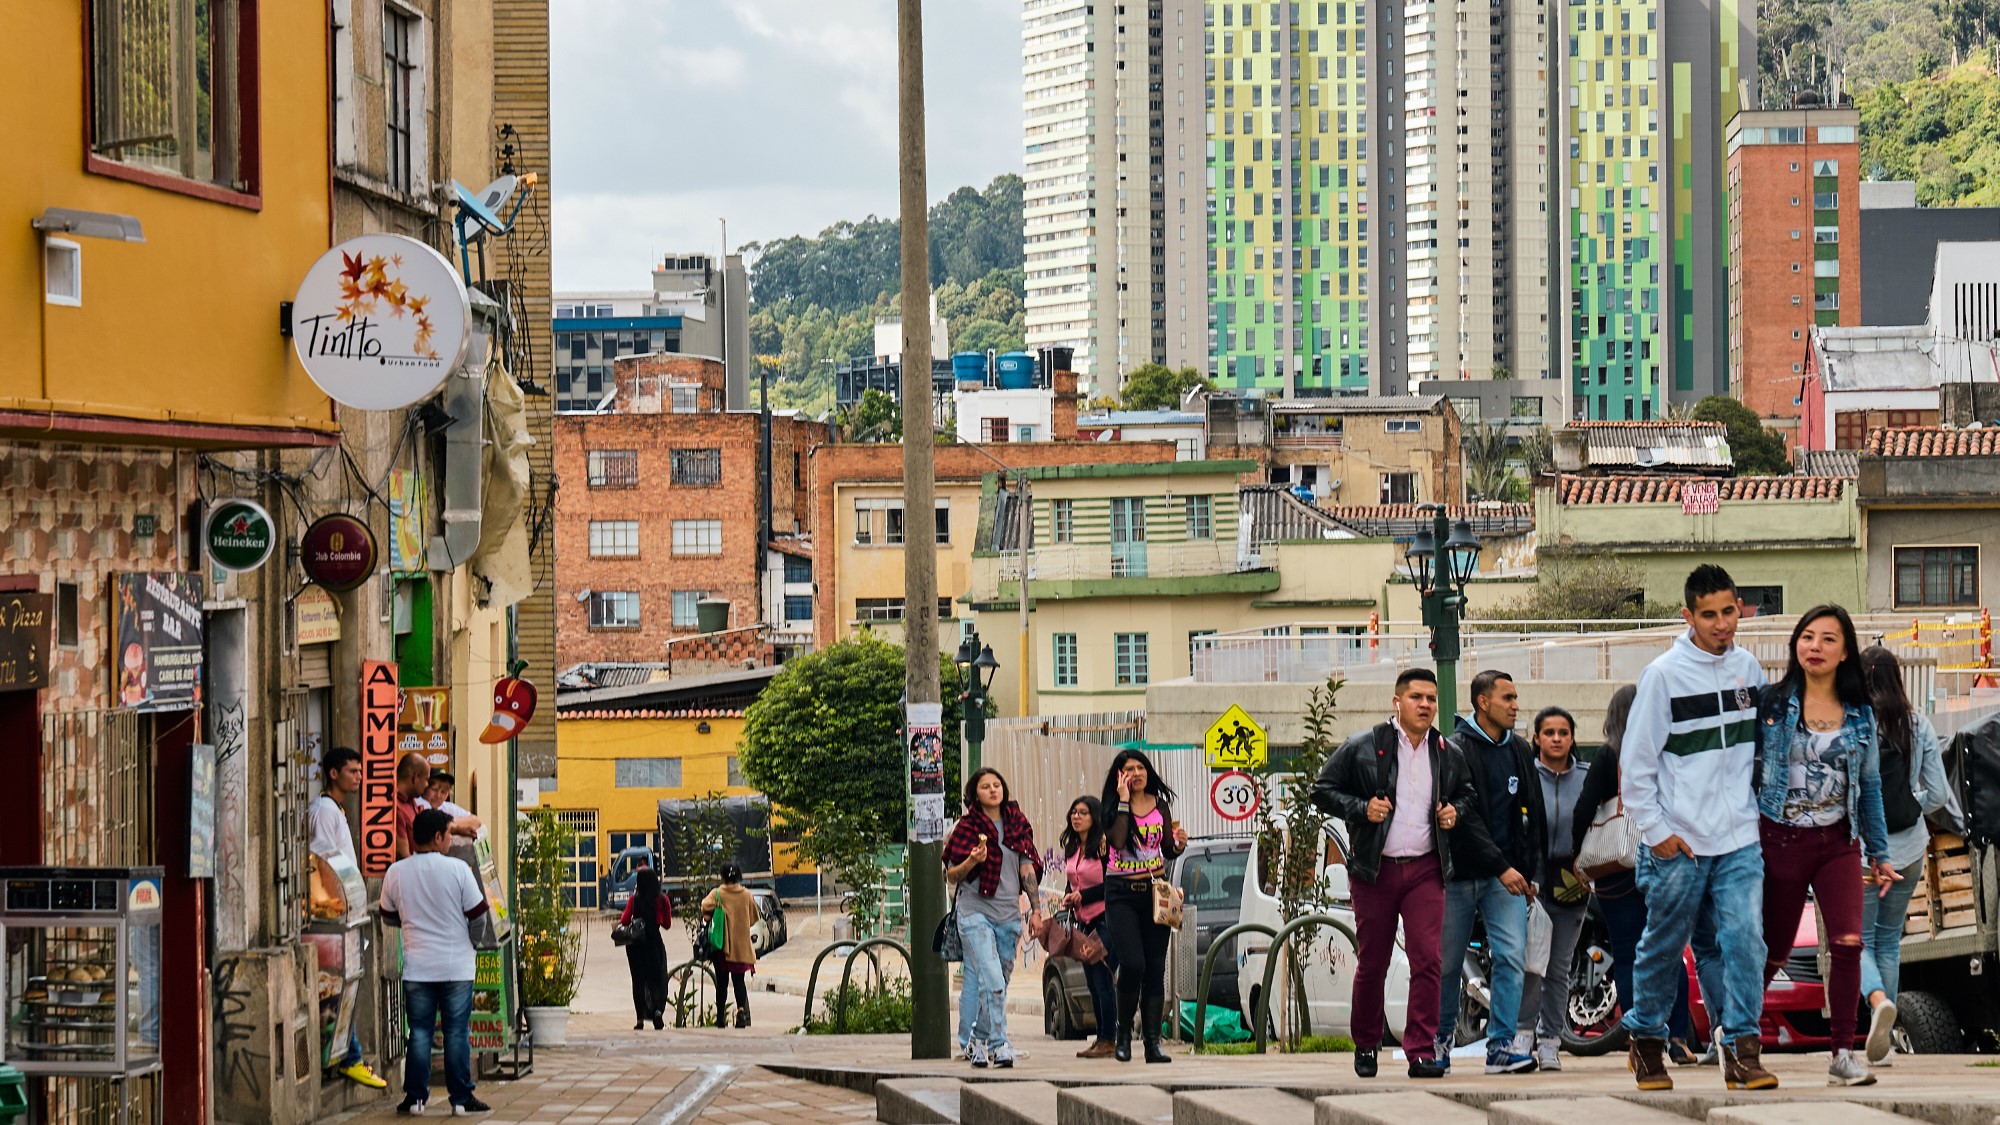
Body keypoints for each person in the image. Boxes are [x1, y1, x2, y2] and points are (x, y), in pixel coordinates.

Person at [1619, 564, 1775, 1093]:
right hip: (1678, 843)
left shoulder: (1751, 670)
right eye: (1708, 614)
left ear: (1739, 608)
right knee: (1663, 946)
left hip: (1739, 839)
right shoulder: (1662, 675)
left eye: (1729, 611)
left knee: (1746, 942)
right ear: (1688, 616)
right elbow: (1635, 766)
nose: (1721, 623)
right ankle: (1645, 1042)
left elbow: (1764, 754)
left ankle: (1742, 1051)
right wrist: (1657, 832)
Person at [1311, 667, 1476, 1080]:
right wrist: (1361, 808)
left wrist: (1455, 811)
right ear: (1397, 702)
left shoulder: (1446, 751)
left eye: (1431, 699)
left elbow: (1468, 794)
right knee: (1374, 963)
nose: (1425, 705)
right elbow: (1322, 789)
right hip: (1375, 870)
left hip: (1425, 868)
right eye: (1416, 697)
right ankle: (1366, 1042)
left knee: (1428, 961)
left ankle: (1420, 1050)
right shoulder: (1364, 746)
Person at [1754, 605, 1895, 1086]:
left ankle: (1842, 1054)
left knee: (1849, 944)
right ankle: (1741, 1038)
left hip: (1839, 842)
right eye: (1807, 637)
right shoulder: (1771, 703)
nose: (1815, 647)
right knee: (1773, 949)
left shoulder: (1860, 713)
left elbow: (1870, 787)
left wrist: (1879, 853)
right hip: (1779, 840)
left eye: (1828, 639)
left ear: (1845, 652)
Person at [1572, 686, 1723, 1068]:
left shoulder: (1609, 756)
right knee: (1667, 953)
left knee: (1627, 954)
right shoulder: (1669, 753)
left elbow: (1583, 809)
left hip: (1615, 871)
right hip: (1664, 863)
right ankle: (1676, 1039)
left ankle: (1641, 1036)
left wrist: (1578, 857)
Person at [1439, 669, 1544, 1075]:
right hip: (1461, 875)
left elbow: (1534, 812)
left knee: (1512, 957)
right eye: (1508, 698)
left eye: (1516, 698)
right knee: (1447, 963)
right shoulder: (1456, 747)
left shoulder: (1518, 748)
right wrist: (1502, 867)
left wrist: (1530, 869)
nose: (1516, 706)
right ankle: (1440, 1042)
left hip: (1509, 878)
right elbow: (1465, 821)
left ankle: (1501, 1046)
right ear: (1483, 703)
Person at [1856, 645, 1950, 1065]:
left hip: (1862, 853)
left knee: (1856, 940)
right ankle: (1888, 1037)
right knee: (1890, 941)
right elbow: (1939, 796)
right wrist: (1910, 803)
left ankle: (1879, 1005)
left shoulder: (1854, 725)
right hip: (1910, 849)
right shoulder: (1919, 725)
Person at [381, 809, 490, 1116]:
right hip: (457, 966)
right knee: (456, 1032)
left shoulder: (396, 872)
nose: (450, 842)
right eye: (448, 836)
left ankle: (415, 1099)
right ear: (439, 836)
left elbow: (388, 915)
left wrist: (412, 926)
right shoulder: (458, 869)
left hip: (418, 966)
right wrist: (472, 943)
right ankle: (460, 1099)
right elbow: (478, 914)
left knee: (419, 1033)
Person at [944, 767, 1041, 1067]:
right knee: (993, 981)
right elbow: (951, 873)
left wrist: (1036, 910)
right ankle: (1000, 1044)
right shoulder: (967, 827)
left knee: (995, 985)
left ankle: (978, 1041)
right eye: (986, 786)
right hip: (974, 913)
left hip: (1009, 917)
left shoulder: (1016, 823)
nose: (993, 790)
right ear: (975, 794)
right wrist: (972, 860)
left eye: (997, 785)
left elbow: (1027, 869)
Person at [1098, 749, 1187, 1065]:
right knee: (1132, 963)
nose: (1136, 773)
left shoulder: (1159, 804)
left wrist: (1177, 845)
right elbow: (1119, 841)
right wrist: (1123, 799)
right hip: (1121, 892)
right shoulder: (1110, 807)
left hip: (1156, 892)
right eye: (1128, 769)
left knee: (1155, 968)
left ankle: (1152, 1043)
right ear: (1119, 775)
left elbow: (1164, 849)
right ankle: (1123, 1037)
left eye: (1140, 768)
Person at [307, 747, 388, 1090]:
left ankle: (347, 1056)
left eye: (360, 770)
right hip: (334, 915)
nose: (359, 776)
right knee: (341, 987)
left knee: (347, 986)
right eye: (353, 771)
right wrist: (336, 907)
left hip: (347, 912)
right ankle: (349, 1058)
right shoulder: (324, 811)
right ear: (333, 774)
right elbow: (322, 862)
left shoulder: (335, 810)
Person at [1518, 706, 1591, 1072]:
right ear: (1537, 738)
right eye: (1549, 733)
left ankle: (1550, 1042)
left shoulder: (1588, 777)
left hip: (1572, 882)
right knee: (1531, 964)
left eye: (1564, 732)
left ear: (1573, 738)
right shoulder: (1525, 775)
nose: (1557, 739)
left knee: (1559, 967)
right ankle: (1522, 1036)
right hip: (1531, 881)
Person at [1059, 796, 1119, 1059]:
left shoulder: (1105, 846)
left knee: (1102, 978)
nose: (1077, 817)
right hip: (1083, 922)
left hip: (1106, 920)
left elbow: (1112, 884)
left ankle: (1110, 1038)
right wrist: (1069, 896)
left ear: (1094, 817)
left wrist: (1085, 895)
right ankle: (1101, 1037)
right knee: (1092, 984)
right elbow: (1073, 881)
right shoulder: (1073, 848)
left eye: (1083, 812)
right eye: (1074, 812)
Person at [700, 863, 758, 1028]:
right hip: (741, 947)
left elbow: (704, 906)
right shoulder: (746, 895)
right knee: (739, 981)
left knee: (722, 982)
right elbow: (754, 917)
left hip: (722, 947)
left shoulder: (717, 894)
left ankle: (720, 1017)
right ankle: (741, 1011)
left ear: (723, 876)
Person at [619, 866, 672, 1030]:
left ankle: (640, 1019)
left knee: (638, 981)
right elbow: (667, 924)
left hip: (636, 946)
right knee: (657, 978)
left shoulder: (634, 899)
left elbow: (625, 920)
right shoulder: (662, 900)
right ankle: (657, 1010)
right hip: (654, 943)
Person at [395, 751, 429, 860]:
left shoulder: (412, 802)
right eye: (426, 779)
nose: (427, 785)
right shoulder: (396, 807)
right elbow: (403, 854)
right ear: (415, 777)